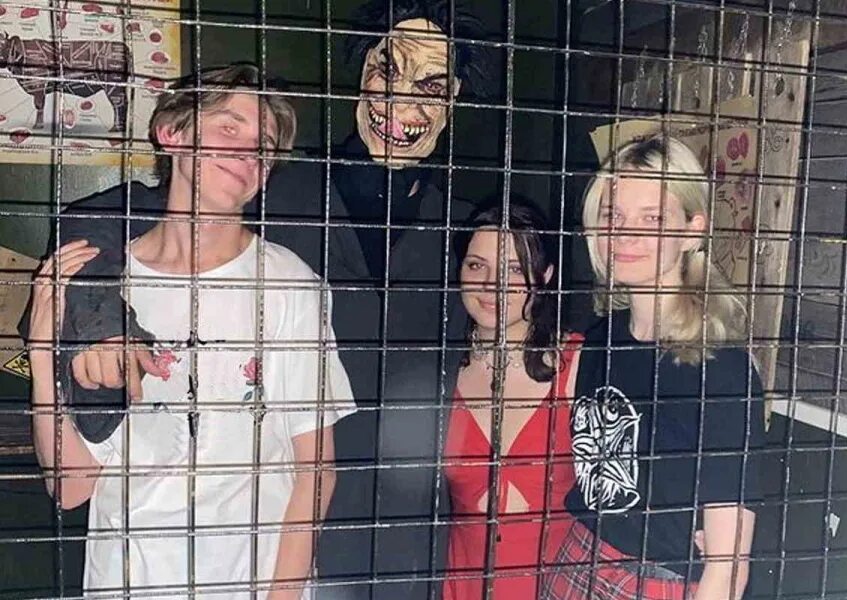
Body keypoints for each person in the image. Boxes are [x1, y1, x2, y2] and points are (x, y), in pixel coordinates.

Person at [18, 2, 492, 598]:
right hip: (274, 527)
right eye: (388, 70)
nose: (402, 100)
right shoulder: (271, 185)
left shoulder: (465, 232)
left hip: (400, 530)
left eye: (431, 85)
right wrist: (93, 309)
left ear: (454, 100)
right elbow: (109, 220)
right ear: (363, 72)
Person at [25, 64, 355, 598]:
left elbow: (316, 473)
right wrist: (43, 356)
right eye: (229, 128)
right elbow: (71, 486)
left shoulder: (287, 283)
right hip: (127, 580)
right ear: (171, 133)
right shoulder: (104, 286)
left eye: (264, 146)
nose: (248, 153)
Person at [543, 134, 765, 600]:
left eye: (653, 218)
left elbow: (727, 571)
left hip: (655, 581)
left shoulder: (721, 367)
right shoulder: (601, 338)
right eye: (614, 216)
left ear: (692, 230)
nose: (626, 235)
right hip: (575, 558)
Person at [443, 199, 581, 599]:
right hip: (461, 587)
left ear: (546, 275)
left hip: (559, 589)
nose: (492, 284)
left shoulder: (578, 362)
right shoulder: (439, 369)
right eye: (476, 265)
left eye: (514, 269)